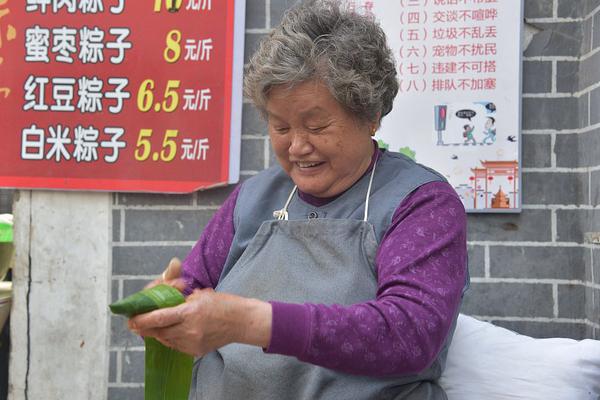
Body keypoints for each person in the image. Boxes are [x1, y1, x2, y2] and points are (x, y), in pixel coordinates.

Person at [128, 1, 468, 399]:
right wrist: (166, 308)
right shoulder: (254, 199)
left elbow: (409, 333)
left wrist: (250, 321)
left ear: (370, 116)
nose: (298, 147)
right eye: (281, 126)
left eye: (317, 125)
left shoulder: (421, 204)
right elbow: (192, 288)